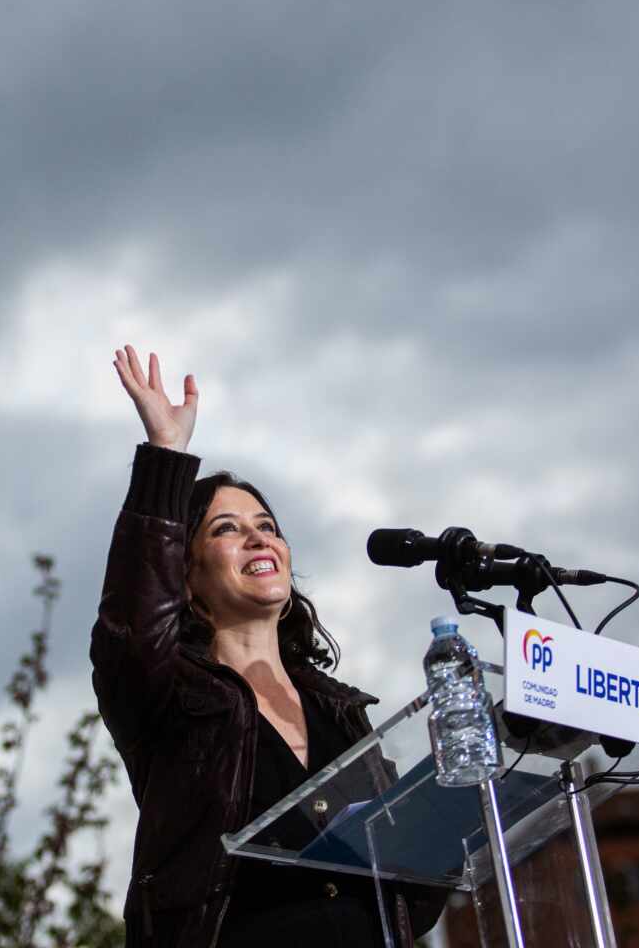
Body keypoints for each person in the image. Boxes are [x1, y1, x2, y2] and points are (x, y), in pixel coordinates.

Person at [91, 345, 442, 948]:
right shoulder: (166, 691)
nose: (258, 537)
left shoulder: (342, 710)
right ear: (187, 572)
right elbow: (132, 620)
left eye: (268, 526)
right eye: (227, 529)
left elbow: (413, 894)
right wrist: (165, 458)